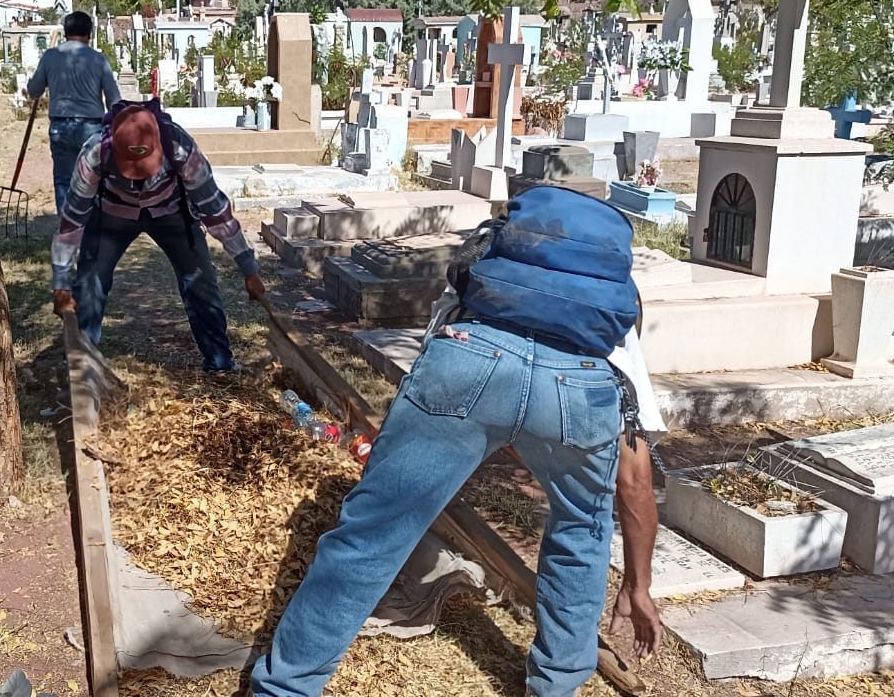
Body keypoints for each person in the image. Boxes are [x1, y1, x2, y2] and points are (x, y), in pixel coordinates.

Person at [247, 186, 658, 697]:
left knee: (372, 534)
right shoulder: (608, 300)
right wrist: (638, 587)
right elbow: (635, 483)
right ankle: (555, 687)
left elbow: (443, 354)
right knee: (581, 531)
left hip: (468, 359)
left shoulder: (492, 259)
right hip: (578, 391)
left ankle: (285, 688)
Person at [50, 100, 264, 373]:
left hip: (171, 212)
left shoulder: (181, 148)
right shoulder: (93, 155)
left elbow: (215, 210)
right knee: (90, 284)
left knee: (201, 281)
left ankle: (220, 365)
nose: (139, 176)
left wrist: (248, 268)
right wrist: (61, 281)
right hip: (112, 216)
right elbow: (72, 221)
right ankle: (80, 371)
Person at [26, 11, 123, 215]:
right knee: (94, 177)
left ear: (65, 31)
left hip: (61, 125)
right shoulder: (98, 59)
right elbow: (114, 98)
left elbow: (34, 91)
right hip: (92, 127)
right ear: (90, 33)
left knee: (63, 178)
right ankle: (93, 223)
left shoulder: (51, 56)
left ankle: (67, 227)